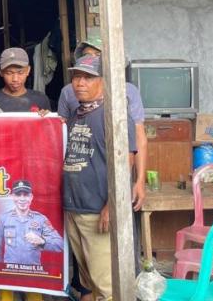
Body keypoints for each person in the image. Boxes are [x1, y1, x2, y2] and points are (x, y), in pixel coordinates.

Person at [63, 55, 137, 301]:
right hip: (74, 208)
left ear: (104, 81)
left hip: (97, 210)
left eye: (88, 77)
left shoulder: (114, 115)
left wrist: (111, 205)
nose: (80, 83)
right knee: (88, 282)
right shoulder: (76, 114)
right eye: (76, 76)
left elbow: (126, 162)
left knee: (107, 286)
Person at [57, 35, 147, 210]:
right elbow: (62, 132)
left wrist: (140, 180)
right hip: (78, 187)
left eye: (98, 56)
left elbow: (138, 138)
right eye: (87, 55)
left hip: (109, 183)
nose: (92, 60)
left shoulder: (128, 91)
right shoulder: (69, 92)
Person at [0, 179, 63, 265]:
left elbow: (60, 244)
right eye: (18, 195)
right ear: (13, 197)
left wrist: (42, 241)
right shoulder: (4, 218)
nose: (22, 199)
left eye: (26, 195)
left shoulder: (40, 219)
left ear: (31, 197)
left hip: (33, 271)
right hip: (10, 270)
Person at [0, 47, 51, 113]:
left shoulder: (41, 99)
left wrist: (47, 117)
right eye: (9, 73)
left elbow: (48, 123)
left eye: (20, 72)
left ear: (28, 70)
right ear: (0, 72)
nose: (15, 79)